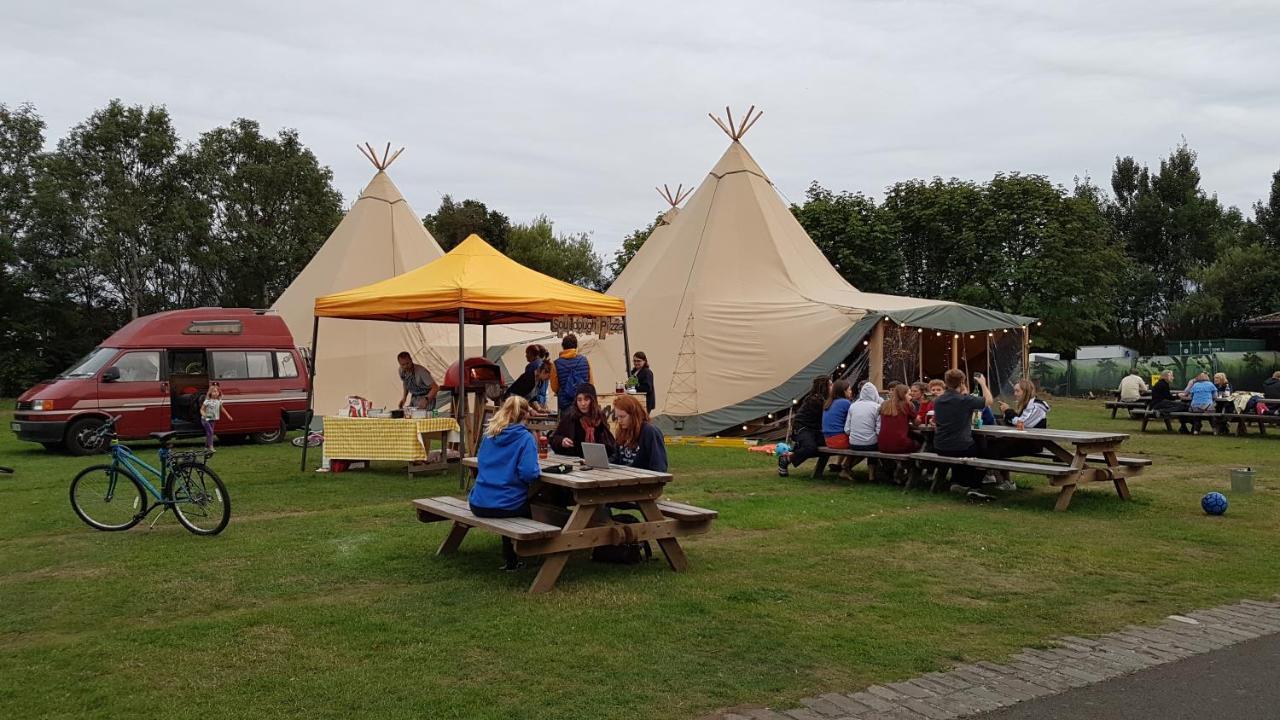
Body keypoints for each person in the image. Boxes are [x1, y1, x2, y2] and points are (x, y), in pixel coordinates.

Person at [468, 396, 542, 571]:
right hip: (506, 505)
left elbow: (481, 463)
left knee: (507, 497)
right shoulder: (525, 438)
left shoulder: (490, 435)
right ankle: (532, 553)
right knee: (538, 503)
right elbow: (529, 473)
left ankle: (512, 559)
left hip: (479, 503)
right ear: (525, 416)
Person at [932, 369, 994, 494]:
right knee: (986, 451)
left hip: (940, 446)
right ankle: (974, 485)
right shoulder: (965, 400)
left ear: (946, 382)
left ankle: (957, 481)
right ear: (962, 383)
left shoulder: (938, 400)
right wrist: (983, 384)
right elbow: (989, 401)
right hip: (960, 446)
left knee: (963, 447)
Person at [779, 377, 831, 477]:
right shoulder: (815, 400)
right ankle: (786, 459)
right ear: (824, 387)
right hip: (803, 428)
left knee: (829, 444)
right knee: (810, 447)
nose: (832, 387)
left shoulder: (822, 400)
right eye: (830, 385)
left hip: (815, 430)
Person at [549, 383, 615, 457]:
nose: (583, 403)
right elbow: (554, 439)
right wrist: (562, 441)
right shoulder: (571, 416)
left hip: (597, 459)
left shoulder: (599, 417)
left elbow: (609, 444)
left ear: (593, 400)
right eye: (579, 400)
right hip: (574, 460)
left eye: (586, 399)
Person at [610, 394, 667, 472]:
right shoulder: (621, 432)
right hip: (623, 478)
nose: (619, 421)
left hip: (643, 480)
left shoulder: (650, 432)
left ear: (634, 415)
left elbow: (659, 466)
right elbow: (616, 459)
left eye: (622, 417)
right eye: (617, 417)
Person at [549, 334, 593, 412]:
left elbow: (554, 387)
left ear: (563, 347)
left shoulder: (556, 364)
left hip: (565, 404)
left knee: (568, 424)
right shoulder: (585, 360)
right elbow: (591, 383)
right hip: (584, 404)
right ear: (576, 346)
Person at [821, 380, 855, 478]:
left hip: (828, 439)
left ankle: (839, 465)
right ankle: (846, 467)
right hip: (839, 440)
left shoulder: (829, 402)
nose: (851, 392)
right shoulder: (845, 403)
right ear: (843, 391)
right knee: (862, 442)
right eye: (849, 390)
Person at [878, 383, 920, 455]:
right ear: (903, 395)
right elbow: (916, 423)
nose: (911, 397)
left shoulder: (884, 404)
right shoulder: (906, 405)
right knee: (920, 442)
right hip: (900, 445)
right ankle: (915, 465)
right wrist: (918, 417)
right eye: (909, 394)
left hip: (882, 445)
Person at [844, 382, 883, 451]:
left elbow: (847, 430)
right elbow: (879, 431)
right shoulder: (877, 407)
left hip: (853, 444)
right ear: (875, 393)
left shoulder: (853, 406)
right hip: (871, 444)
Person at [199, 382, 233, 453]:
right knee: (210, 432)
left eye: (217, 391)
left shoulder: (219, 401)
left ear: (219, 393)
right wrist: (204, 415)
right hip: (205, 419)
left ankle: (206, 447)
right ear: (210, 393)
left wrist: (228, 415)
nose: (215, 393)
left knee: (209, 433)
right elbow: (201, 409)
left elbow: (222, 408)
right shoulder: (207, 401)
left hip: (212, 419)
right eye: (213, 391)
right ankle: (211, 447)